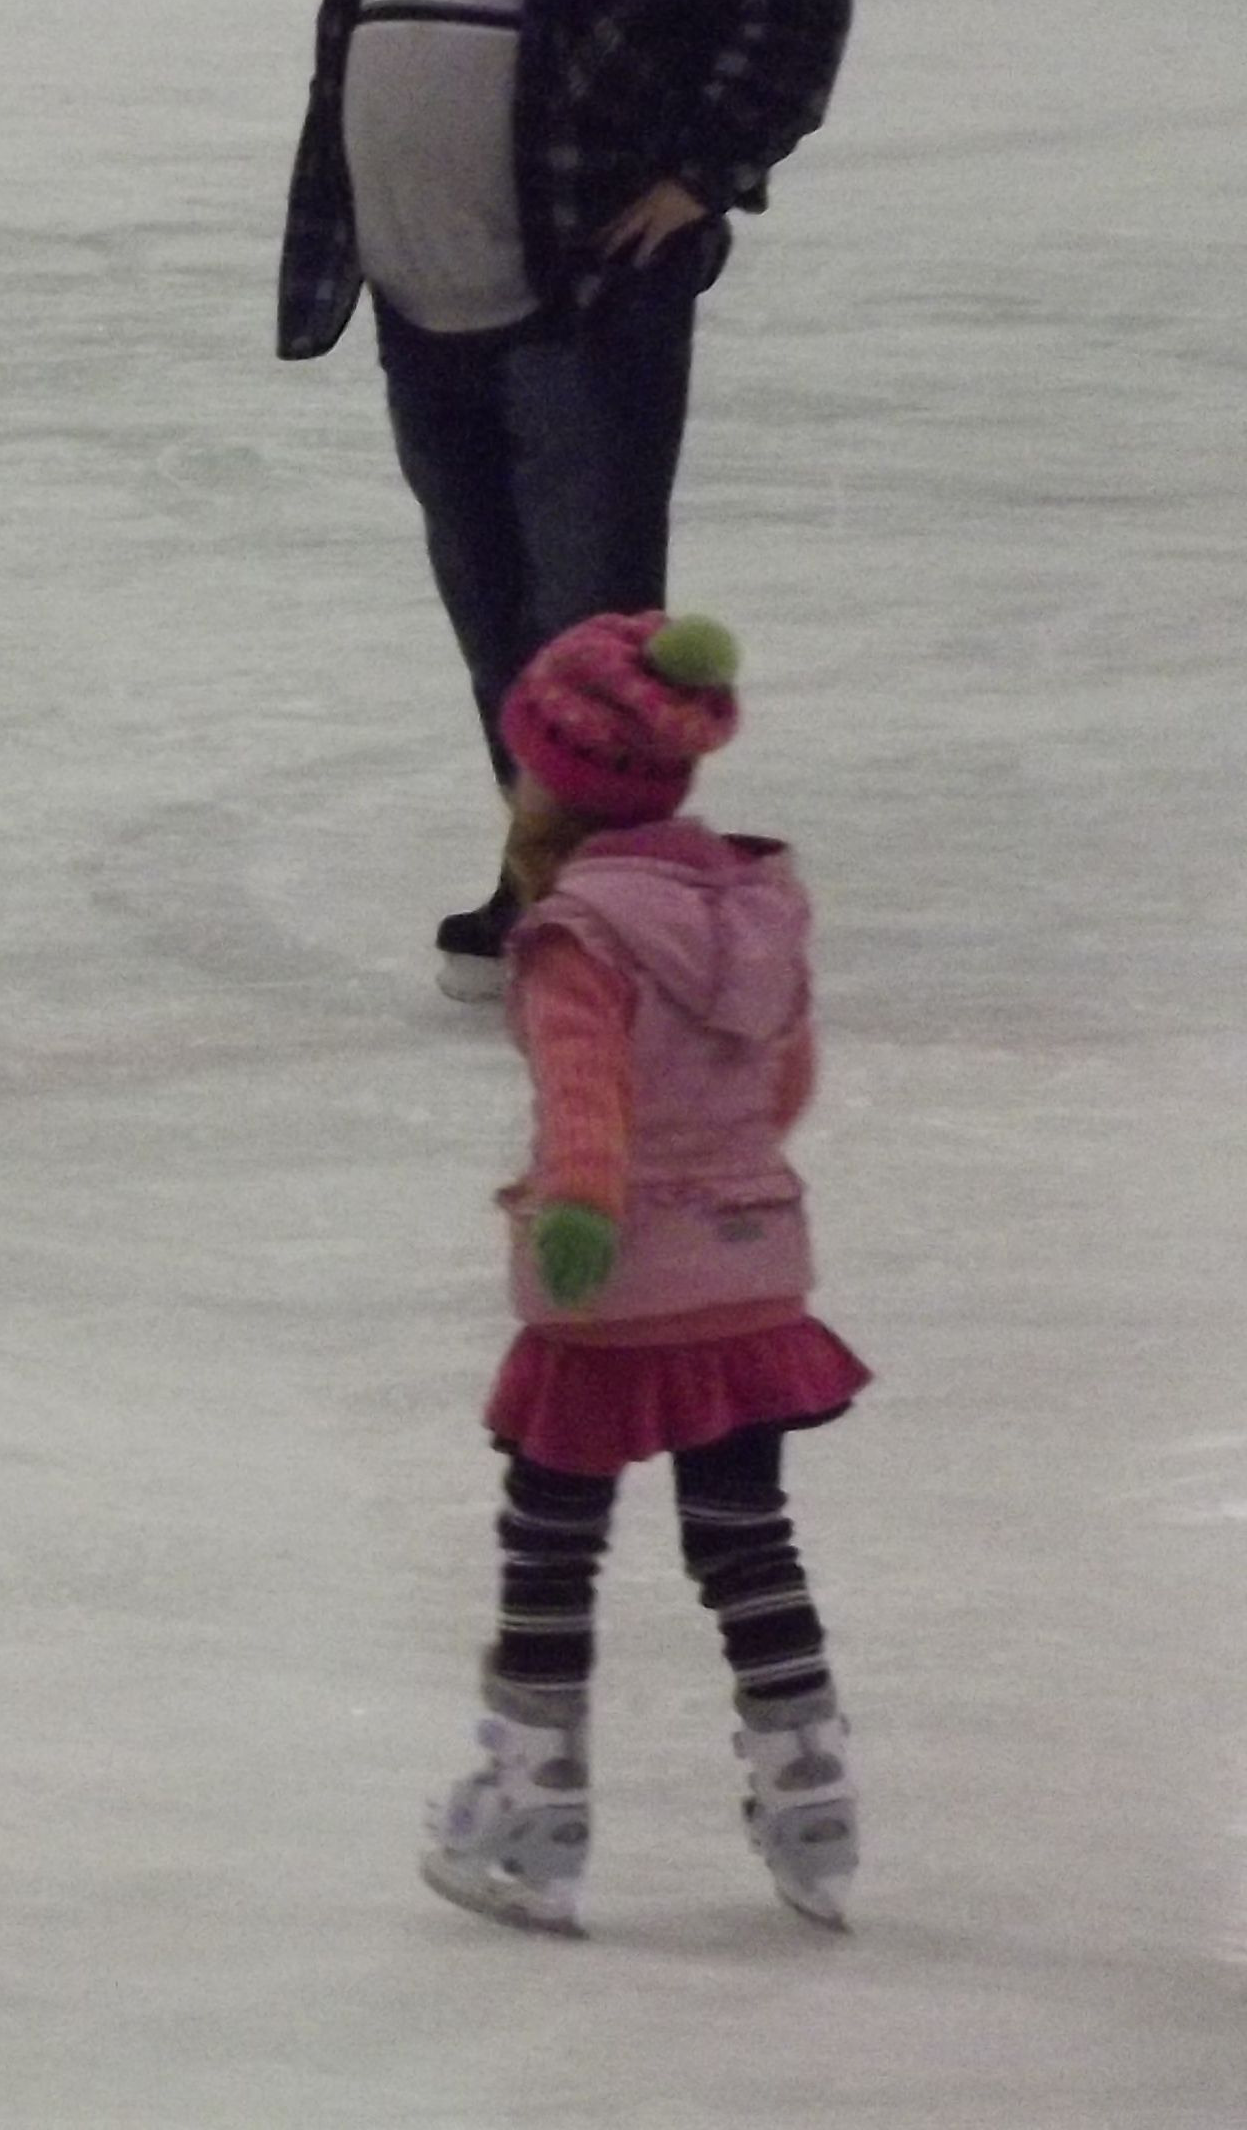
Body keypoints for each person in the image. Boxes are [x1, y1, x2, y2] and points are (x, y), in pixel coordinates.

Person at [276, 0, 851, 997]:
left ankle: (615, 911)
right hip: (422, 299)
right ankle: (551, 882)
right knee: (492, 613)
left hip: (578, 307)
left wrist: (707, 167)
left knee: (588, 626)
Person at [419, 610, 868, 1939]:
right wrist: (725, 1185)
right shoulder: (756, 901)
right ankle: (812, 1797)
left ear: (554, 774)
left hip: (613, 1290)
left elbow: (585, 1098)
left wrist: (579, 1214)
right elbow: (782, 1074)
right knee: (745, 1537)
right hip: (752, 1275)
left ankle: (530, 1816)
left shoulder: (580, 932)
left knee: (553, 1543)